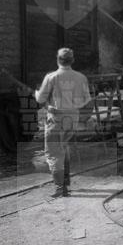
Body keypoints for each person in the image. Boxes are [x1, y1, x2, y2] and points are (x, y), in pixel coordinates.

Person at [35, 48, 91, 197]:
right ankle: (65, 183)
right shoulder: (81, 77)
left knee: (54, 152)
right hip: (73, 117)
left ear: (58, 60)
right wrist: (73, 106)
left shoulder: (51, 77)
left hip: (56, 118)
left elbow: (40, 99)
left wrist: (36, 93)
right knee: (64, 147)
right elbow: (86, 99)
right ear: (72, 60)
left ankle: (60, 188)